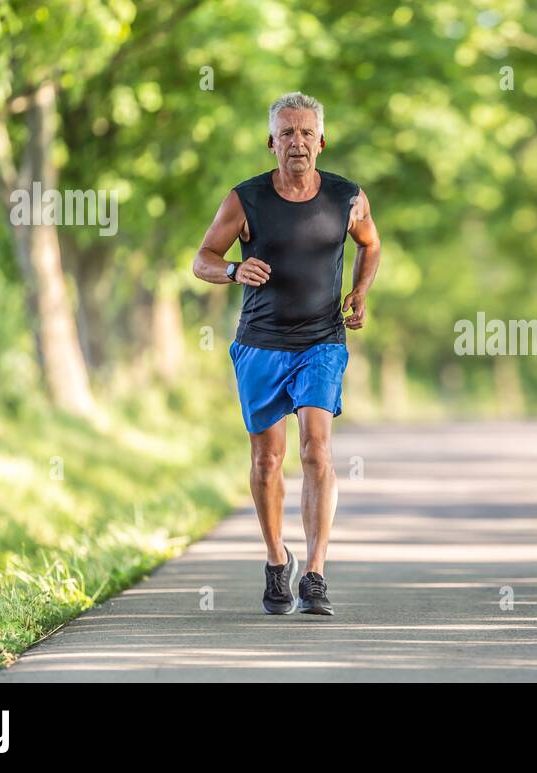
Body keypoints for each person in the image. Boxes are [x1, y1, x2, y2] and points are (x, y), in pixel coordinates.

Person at [192, 92, 381, 616]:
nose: (296, 143)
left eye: (305, 133)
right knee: (266, 459)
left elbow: (371, 243)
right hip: (260, 345)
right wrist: (232, 270)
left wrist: (360, 291)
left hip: (322, 341)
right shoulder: (245, 199)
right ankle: (278, 561)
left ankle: (316, 573)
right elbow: (202, 258)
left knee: (316, 448)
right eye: (286, 134)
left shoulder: (347, 197)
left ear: (321, 142)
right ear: (271, 142)